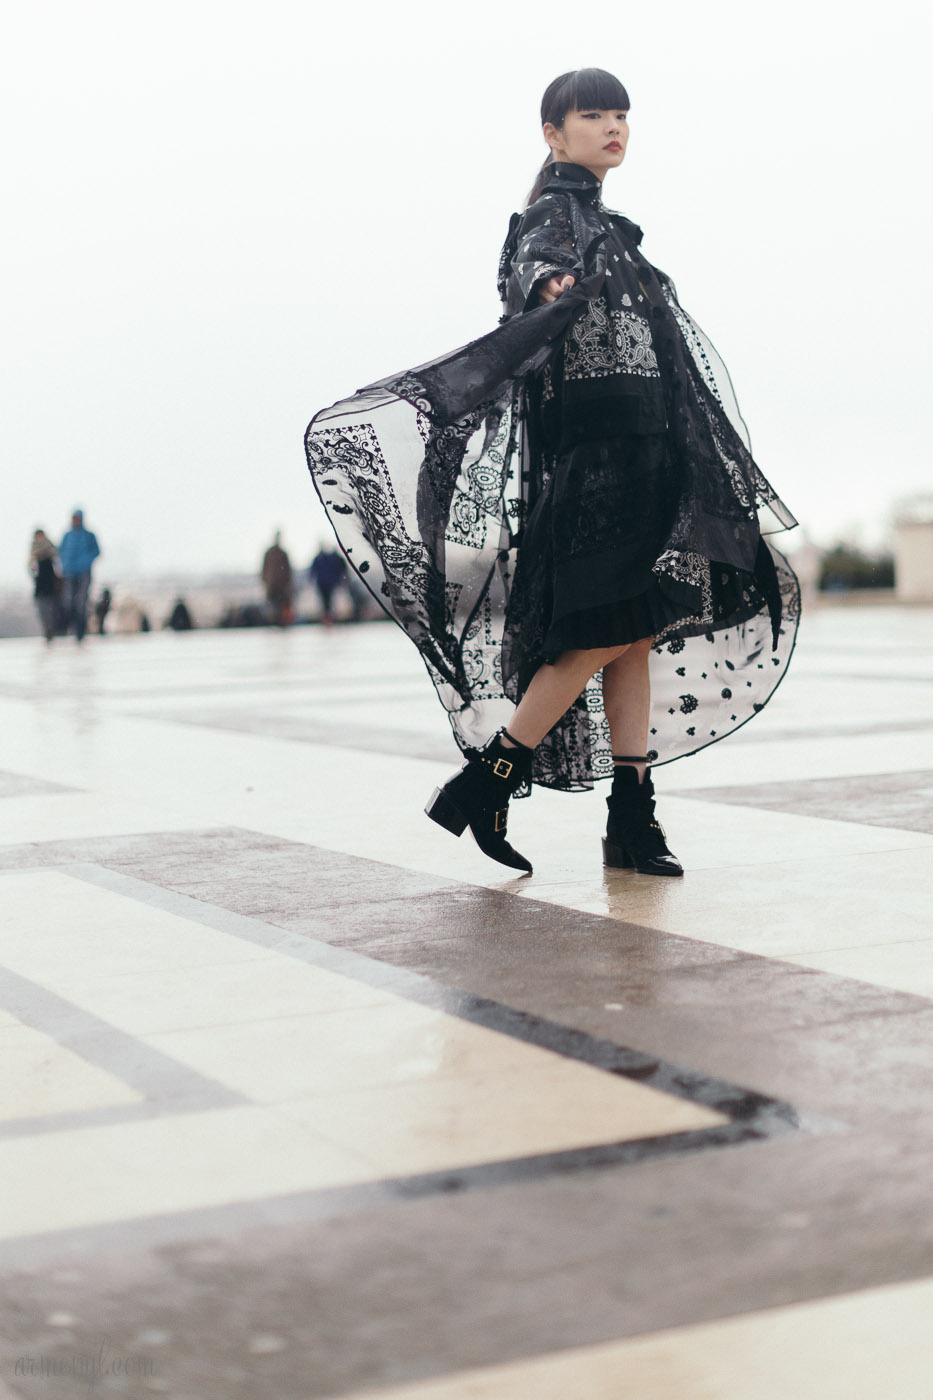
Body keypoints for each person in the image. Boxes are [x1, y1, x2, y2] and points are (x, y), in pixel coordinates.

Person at [305, 68, 799, 876]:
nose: (613, 127)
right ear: (553, 134)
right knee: (600, 633)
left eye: (621, 115)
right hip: (597, 466)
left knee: (632, 633)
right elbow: (530, 269)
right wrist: (549, 285)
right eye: (593, 115)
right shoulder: (551, 219)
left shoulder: (607, 225)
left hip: (643, 453)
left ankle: (628, 823)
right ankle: (486, 779)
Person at [58, 509, 100, 642]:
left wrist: (85, 562)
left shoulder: (88, 535)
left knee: (81, 602)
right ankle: (70, 626)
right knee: (68, 601)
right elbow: (60, 551)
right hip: (69, 573)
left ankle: (80, 631)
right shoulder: (67, 536)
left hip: (84, 573)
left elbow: (96, 551)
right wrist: (64, 565)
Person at [28, 530, 61, 643]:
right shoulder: (33, 550)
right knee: (41, 609)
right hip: (39, 584)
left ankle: (50, 629)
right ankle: (46, 629)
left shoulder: (50, 548)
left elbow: (57, 563)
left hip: (49, 583)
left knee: (50, 609)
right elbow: (30, 567)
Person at [308, 544, 347, 625]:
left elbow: (313, 570)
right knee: (328, 601)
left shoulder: (320, 558)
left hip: (323, 583)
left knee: (326, 602)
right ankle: (329, 617)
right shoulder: (332, 559)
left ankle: (327, 617)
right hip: (328, 583)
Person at [261, 532, 294, 626]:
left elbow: (287, 570)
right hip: (274, 584)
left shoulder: (278, 553)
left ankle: (278, 621)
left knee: (279, 605)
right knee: (275, 604)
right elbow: (264, 568)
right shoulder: (273, 553)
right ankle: (276, 621)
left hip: (278, 584)